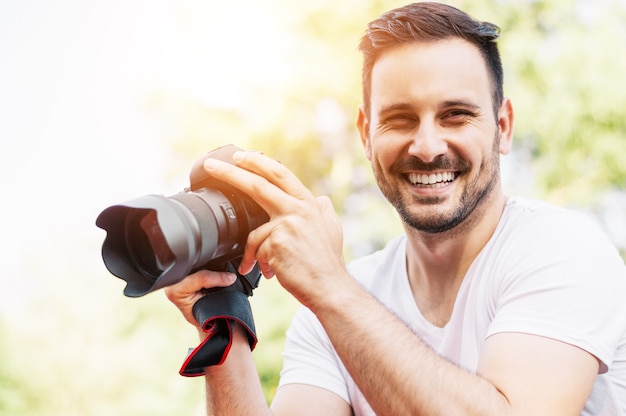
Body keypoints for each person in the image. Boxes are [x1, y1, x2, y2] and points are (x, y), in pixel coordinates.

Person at [165, 2, 626, 415]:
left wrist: (330, 286)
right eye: (400, 119)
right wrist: (223, 319)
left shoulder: (564, 251)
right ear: (365, 134)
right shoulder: (337, 303)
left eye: (456, 115)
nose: (426, 147)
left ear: (502, 127)